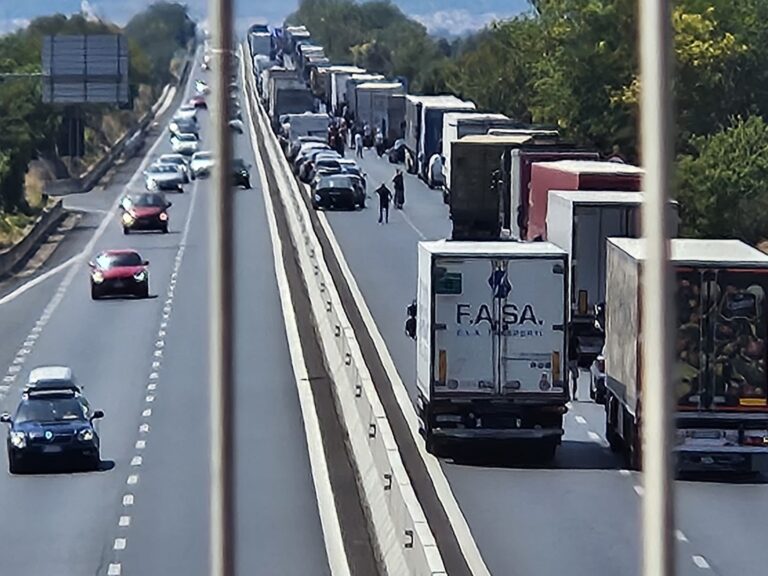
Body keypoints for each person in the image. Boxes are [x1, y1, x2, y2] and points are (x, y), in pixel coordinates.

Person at [568, 331, 579, 401]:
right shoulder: (575, 339)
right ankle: (573, 395)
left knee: (567, 379)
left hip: (568, 359)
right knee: (575, 379)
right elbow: (578, 349)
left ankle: (569, 394)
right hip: (573, 360)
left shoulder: (566, 338)